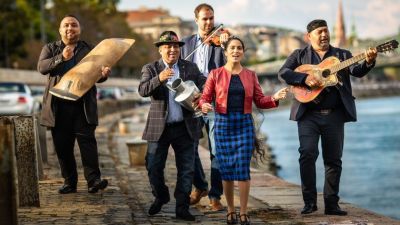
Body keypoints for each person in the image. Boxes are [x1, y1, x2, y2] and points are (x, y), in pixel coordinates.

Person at [278, 19, 377, 216]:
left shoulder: (342, 55)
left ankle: (332, 205)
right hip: (308, 115)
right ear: (309, 36)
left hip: (334, 116)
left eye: (326, 31)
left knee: (333, 160)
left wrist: (369, 60)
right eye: (319, 32)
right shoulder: (299, 55)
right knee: (307, 155)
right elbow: (283, 73)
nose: (324, 35)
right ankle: (309, 202)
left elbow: (357, 72)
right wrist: (304, 78)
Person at [199, 36, 288, 225]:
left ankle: (244, 212)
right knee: (227, 170)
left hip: (244, 124)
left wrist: (275, 97)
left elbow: (260, 100)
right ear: (225, 52)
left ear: (243, 52)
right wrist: (205, 104)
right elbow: (204, 97)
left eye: (239, 48)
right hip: (222, 124)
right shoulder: (215, 74)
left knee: (242, 170)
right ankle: (231, 210)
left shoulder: (251, 75)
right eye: (232, 48)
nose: (236, 51)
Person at [37, 15, 110, 194]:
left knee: (88, 145)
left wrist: (104, 74)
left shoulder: (90, 49)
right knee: (63, 147)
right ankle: (70, 182)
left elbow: (97, 76)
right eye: (66, 25)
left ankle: (94, 181)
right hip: (58, 107)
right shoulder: (50, 48)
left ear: (79, 29)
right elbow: (42, 68)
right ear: (60, 30)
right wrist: (61, 57)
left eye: (74, 25)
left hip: (83, 106)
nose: (70, 28)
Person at [138, 31, 206, 221]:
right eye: (167, 46)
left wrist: (202, 93)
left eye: (175, 46)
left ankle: (182, 207)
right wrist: (159, 78)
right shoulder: (151, 68)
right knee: (153, 167)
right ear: (160, 49)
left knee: (187, 169)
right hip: (159, 127)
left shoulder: (190, 67)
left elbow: (204, 83)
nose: (172, 49)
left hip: (185, 127)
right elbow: (142, 90)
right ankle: (161, 196)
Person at [180, 3, 228, 211]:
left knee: (216, 150)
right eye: (205, 19)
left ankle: (215, 196)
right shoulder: (185, 44)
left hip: (215, 100)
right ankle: (200, 186)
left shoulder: (222, 41)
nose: (209, 22)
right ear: (196, 20)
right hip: (192, 100)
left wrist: (227, 45)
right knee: (189, 146)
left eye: (211, 18)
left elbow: (232, 65)